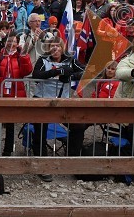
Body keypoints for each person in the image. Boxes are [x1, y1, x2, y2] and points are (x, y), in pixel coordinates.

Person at [31, 37, 85, 180]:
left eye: (58, 46)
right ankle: (42, 167)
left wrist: (70, 76)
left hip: (63, 102)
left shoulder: (70, 59)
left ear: (62, 48)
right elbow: (36, 76)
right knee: (40, 131)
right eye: (52, 47)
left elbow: (87, 71)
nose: (55, 49)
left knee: (78, 126)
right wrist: (57, 72)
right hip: (43, 101)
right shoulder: (43, 60)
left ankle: (73, 161)